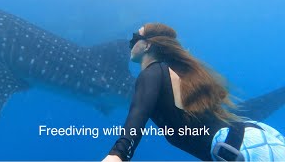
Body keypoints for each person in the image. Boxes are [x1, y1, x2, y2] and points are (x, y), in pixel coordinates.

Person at [102, 23, 285, 161]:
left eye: (134, 38)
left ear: (147, 45)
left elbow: (137, 117)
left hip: (241, 150)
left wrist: (118, 155)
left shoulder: (152, 73)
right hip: (255, 137)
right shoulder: (181, 76)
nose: (129, 43)